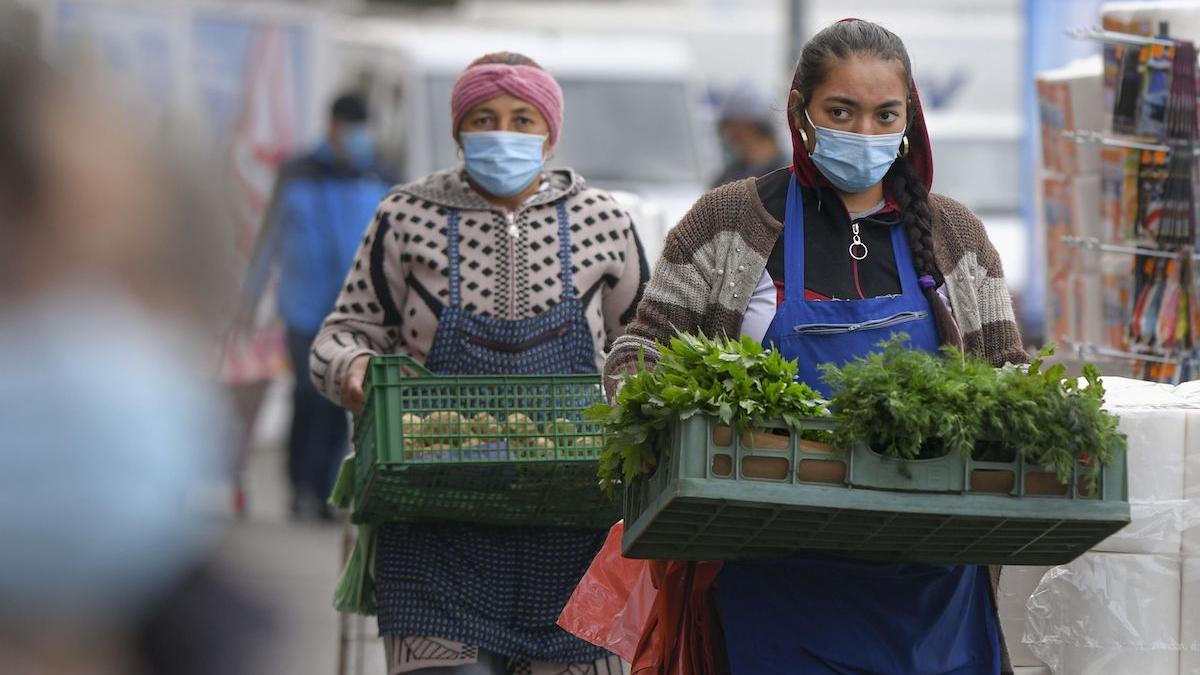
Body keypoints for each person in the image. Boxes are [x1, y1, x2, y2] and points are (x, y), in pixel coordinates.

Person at [593, 19, 1029, 675]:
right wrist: (665, 414)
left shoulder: (956, 237)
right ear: (801, 111)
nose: (863, 133)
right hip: (774, 580)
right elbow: (639, 352)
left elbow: (1007, 377)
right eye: (841, 111)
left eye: (885, 115)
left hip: (931, 598)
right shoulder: (729, 222)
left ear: (910, 119)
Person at [310, 52, 649, 673]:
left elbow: (643, 342)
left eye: (523, 119)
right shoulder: (404, 215)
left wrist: (638, 394)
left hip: (574, 528)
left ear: (550, 134)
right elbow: (343, 332)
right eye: (484, 118)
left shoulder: (605, 222)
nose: (503, 133)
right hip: (432, 524)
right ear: (458, 131)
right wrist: (351, 368)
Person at [241, 93, 393, 520]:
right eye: (351, 129)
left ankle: (326, 492)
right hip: (304, 308)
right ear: (333, 127)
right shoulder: (297, 173)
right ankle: (300, 486)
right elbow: (268, 241)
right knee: (308, 394)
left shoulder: (381, 174)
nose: (358, 138)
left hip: (358, 313)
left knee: (343, 397)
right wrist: (250, 300)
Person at [709, 82, 790, 188]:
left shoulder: (791, 177)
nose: (727, 134)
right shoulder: (726, 179)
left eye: (731, 125)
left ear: (750, 127)